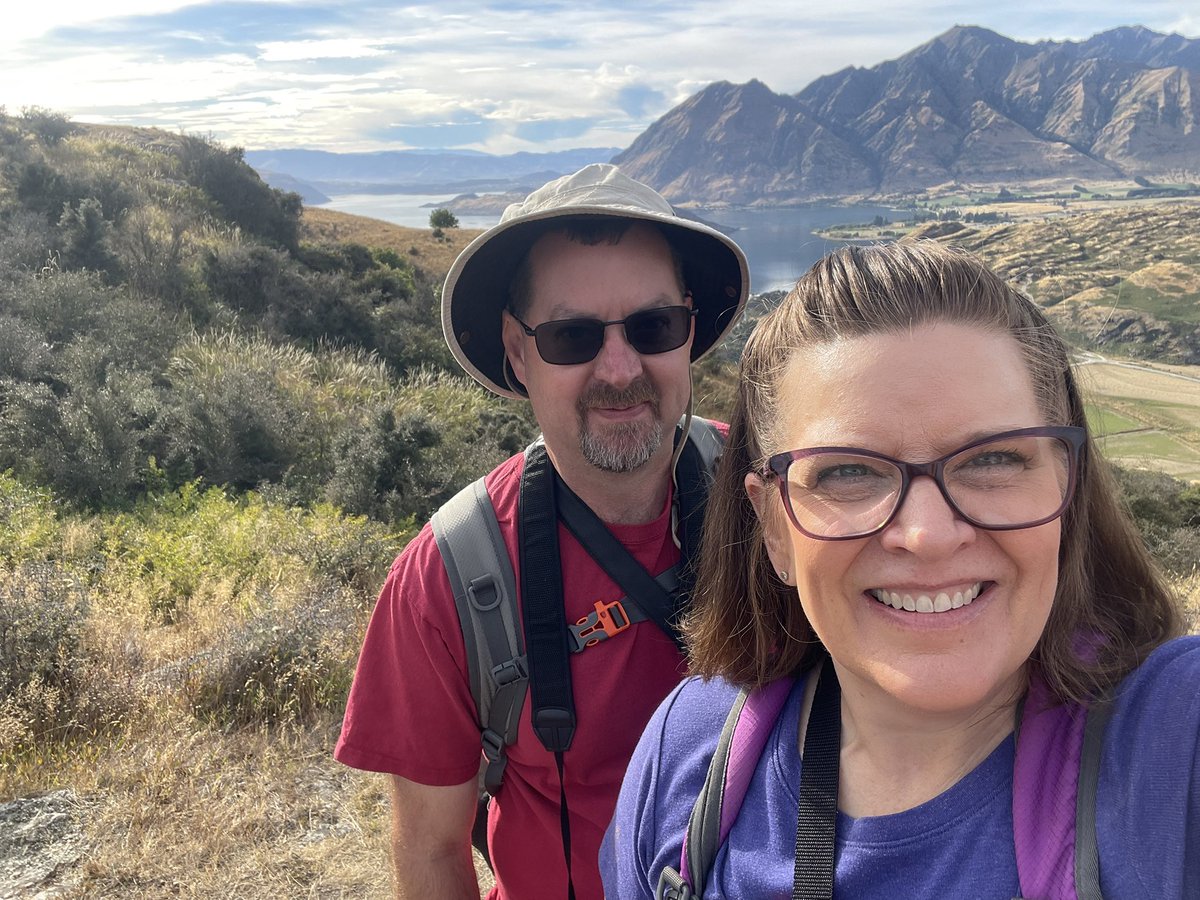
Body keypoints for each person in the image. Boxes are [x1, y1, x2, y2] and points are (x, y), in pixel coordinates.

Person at [601, 240, 1198, 898]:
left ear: (1067, 484)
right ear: (774, 526)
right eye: (847, 472)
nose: (927, 536)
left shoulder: (1173, 743)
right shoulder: (690, 755)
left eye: (993, 459)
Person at [334, 164, 749, 899]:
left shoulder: (768, 497)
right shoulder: (449, 578)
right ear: (518, 350)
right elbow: (430, 851)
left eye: (653, 326)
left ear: (688, 331)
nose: (619, 369)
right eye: (571, 336)